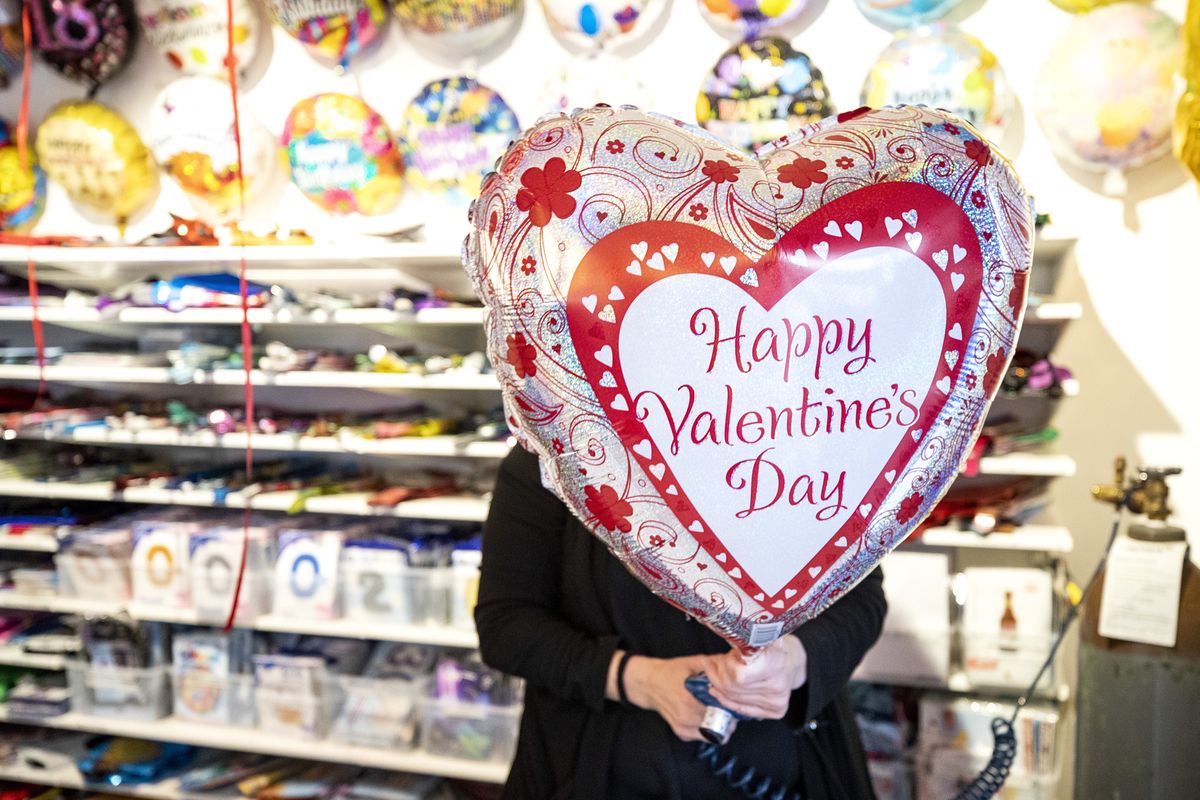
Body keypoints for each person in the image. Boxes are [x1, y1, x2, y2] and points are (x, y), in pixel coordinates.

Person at [476, 446, 887, 800]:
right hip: (595, 768)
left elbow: (860, 600)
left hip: (790, 762)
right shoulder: (552, 449)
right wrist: (636, 679)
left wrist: (795, 660)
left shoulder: (811, 446)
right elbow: (505, 623)